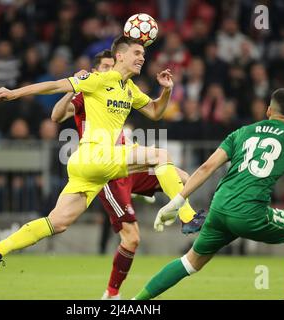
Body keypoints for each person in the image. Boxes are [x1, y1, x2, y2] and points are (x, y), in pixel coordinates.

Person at [0, 36, 206, 283]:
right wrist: (14, 93)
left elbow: (154, 112)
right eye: (137, 52)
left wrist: (167, 90)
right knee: (160, 156)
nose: (142, 57)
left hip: (90, 167)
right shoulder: (99, 79)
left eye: (143, 54)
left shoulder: (129, 89)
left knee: (57, 222)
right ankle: (187, 217)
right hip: (94, 155)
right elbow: (55, 86)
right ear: (120, 56)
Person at [134, 88, 284, 300]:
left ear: (268, 111)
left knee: (189, 262)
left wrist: (177, 201)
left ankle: (134, 303)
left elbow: (206, 168)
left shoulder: (242, 132)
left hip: (219, 208)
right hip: (250, 214)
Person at [51, 50, 199, 299]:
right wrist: (72, 86)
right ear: (95, 71)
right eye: (106, 67)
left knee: (182, 175)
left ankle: (191, 217)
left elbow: (154, 111)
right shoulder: (87, 93)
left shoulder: (122, 90)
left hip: (128, 160)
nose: (111, 70)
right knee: (131, 239)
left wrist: (166, 91)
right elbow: (56, 116)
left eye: (113, 65)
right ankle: (111, 295)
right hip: (108, 171)